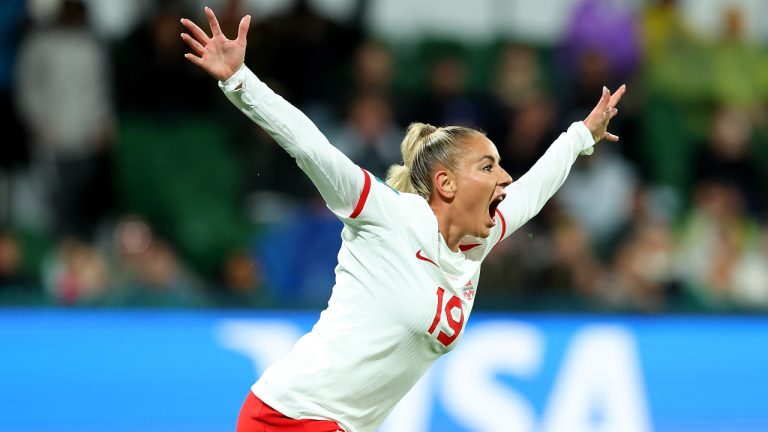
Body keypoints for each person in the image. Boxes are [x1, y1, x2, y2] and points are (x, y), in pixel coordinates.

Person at [181, 7, 625, 432]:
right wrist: (240, 81)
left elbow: (534, 188)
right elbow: (310, 147)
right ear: (446, 184)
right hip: (287, 416)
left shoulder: (475, 244)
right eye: (489, 166)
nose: (506, 178)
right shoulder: (385, 215)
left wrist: (583, 134)